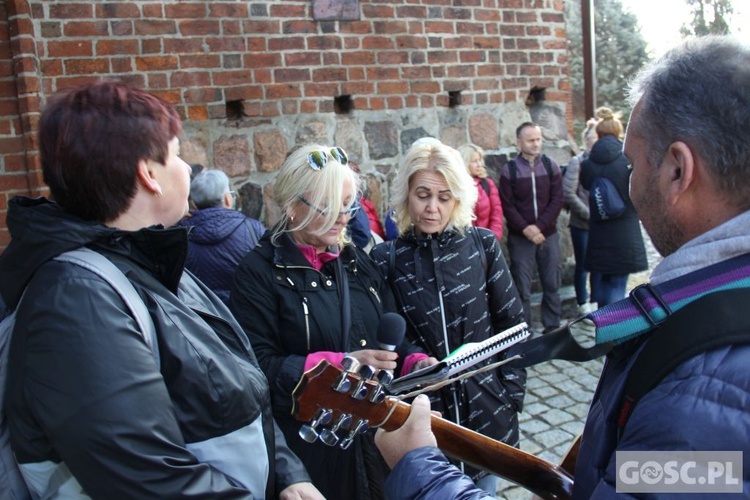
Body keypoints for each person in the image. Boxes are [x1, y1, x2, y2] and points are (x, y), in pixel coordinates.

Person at [373, 35, 750, 498]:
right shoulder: (701, 326)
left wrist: (418, 471)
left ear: (677, 171)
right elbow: (637, 482)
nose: (627, 184)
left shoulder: (699, 398)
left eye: (632, 164)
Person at [0, 81, 321, 499]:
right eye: (176, 154)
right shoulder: (76, 298)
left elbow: (240, 393)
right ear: (148, 174)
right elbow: (147, 476)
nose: (187, 169)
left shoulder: (150, 264)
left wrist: (287, 472)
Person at [229, 144, 432, 500]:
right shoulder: (259, 274)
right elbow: (254, 372)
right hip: (309, 454)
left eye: (348, 205)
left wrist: (414, 361)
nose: (343, 218)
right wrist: (336, 367)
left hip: (374, 443)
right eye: (329, 207)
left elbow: (387, 333)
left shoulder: (355, 261)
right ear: (293, 207)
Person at [370, 140, 526, 496]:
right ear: (407, 194)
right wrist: (414, 361)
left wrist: (510, 396)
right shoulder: (386, 258)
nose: (432, 208)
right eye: (423, 194)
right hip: (424, 421)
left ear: (458, 198)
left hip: (488, 415)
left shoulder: (482, 246)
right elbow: (391, 334)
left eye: (444, 197)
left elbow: (514, 325)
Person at [499, 122, 564, 333]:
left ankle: (552, 326)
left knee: (552, 283)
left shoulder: (550, 164)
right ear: (519, 142)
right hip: (520, 237)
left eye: (538, 139)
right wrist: (526, 229)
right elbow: (507, 205)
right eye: (531, 140)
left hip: (548, 234)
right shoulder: (510, 170)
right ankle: (523, 329)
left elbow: (557, 199)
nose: (536, 144)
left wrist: (540, 227)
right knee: (522, 288)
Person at [580, 107, 647, 306]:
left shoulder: (588, 163)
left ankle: (603, 326)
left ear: (598, 133)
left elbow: (584, 185)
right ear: (619, 132)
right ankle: (614, 331)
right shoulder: (626, 159)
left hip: (599, 230)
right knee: (618, 284)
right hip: (624, 230)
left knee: (603, 283)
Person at [179, 169, 265, 304]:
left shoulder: (180, 236)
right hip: (247, 313)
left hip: (203, 316)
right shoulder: (253, 229)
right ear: (227, 199)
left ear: (194, 203)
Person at [563, 119, 598, 315]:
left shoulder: (603, 162)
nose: (595, 141)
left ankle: (595, 300)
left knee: (598, 264)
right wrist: (587, 213)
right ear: (585, 139)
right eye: (592, 138)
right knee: (583, 264)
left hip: (599, 225)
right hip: (581, 223)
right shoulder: (578, 162)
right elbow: (569, 193)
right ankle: (582, 301)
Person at [458, 143, 504, 241]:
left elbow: (496, 213)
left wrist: (492, 237)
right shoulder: (458, 185)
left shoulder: (487, 183)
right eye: (475, 161)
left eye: (480, 160)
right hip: (465, 243)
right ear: (465, 162)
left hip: (487, 241)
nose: (479, 164)